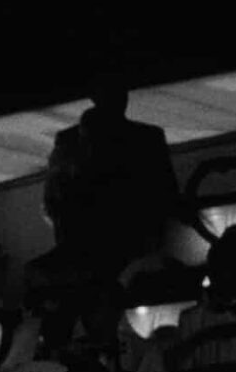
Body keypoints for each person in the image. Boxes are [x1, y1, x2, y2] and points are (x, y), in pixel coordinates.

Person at [42, 80, 179, 274]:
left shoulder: (70, 140)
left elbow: (52, 201)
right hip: (117, 247)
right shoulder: (148, 137)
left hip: (117, 248)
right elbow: (168, 196)